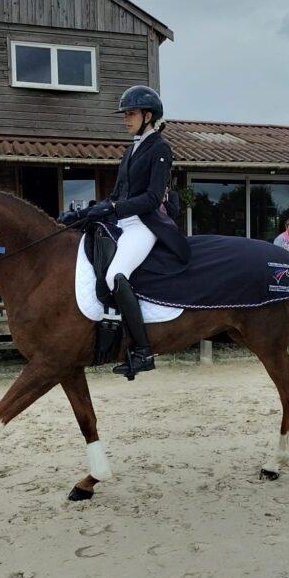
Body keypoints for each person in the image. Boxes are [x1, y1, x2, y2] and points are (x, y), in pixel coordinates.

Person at [63, 85, 190, 379]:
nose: (126, 119)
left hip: (145, 225)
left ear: (148, 115)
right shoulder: (130, 149)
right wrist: (86, 212)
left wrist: (114, 209)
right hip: (124, 223)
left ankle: (143, 351)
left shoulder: (160, 148)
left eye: (131, 114)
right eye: (125, 114)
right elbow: (117, 193)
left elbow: (150, 198)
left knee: (115, 275)